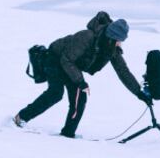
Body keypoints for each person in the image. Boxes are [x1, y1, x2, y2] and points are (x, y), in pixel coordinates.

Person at [13, 11, 151, 138]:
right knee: (55, 93)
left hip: (71, 66)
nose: (120, 44)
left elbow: (123, 72)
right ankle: (21, 118)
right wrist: (80, 81)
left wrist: (139, 93)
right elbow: (66, 59)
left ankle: (68, 134)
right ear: (112, 37)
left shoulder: (111, 49)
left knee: (80, 98)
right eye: (120, 40)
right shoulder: (87, 36)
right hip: (55, 59)